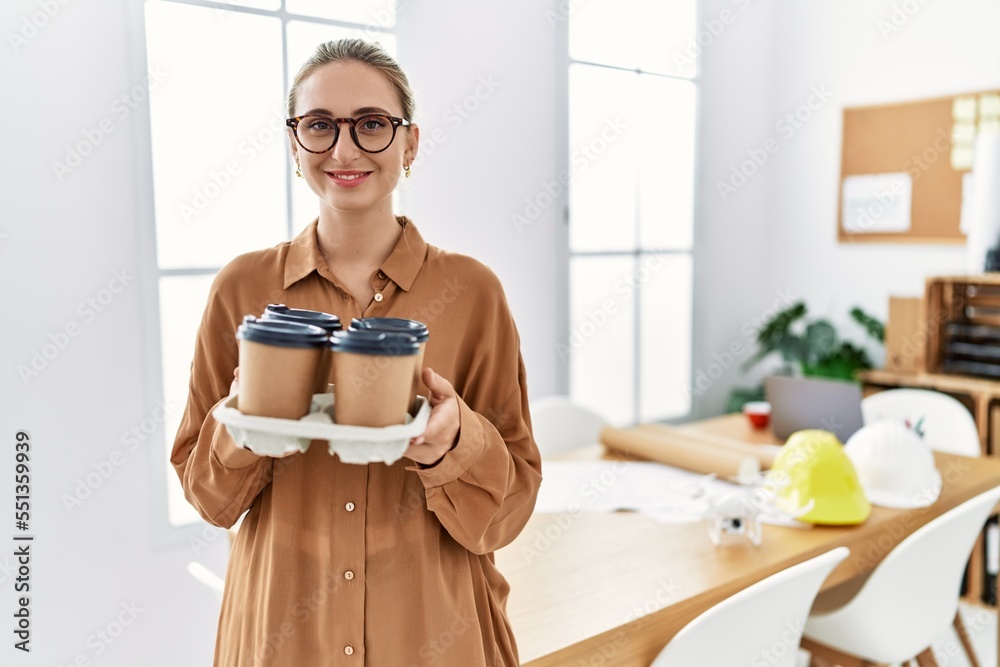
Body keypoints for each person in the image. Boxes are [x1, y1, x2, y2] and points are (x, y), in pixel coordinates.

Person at [170, 39, 542, 666]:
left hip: (433, 634)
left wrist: (457, 444)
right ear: (295, 145)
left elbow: (509, 510)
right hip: (280, 640)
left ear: (410, 143)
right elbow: (207, 498)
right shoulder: (241, 289)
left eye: (371, 124)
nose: (344, 150)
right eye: (319, 126)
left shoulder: (474, 293)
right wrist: (242, 426)